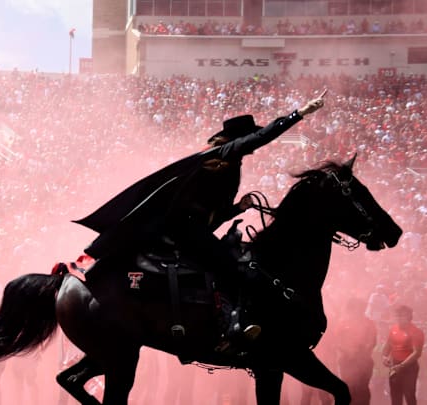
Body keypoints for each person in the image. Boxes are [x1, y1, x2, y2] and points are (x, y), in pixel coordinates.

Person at [74, 89, 327, 345]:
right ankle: (233, 322)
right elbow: (262, 137)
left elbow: (207, 212)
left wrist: (238, 208)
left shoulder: (224, 160)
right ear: (240, 137)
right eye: (249, 138)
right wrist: (300, 113)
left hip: (191, 225)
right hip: (185, 228)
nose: (252, 147)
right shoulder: (227, 152)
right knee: (230, 264)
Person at [335, 297, 377, 405]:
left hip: (364, 360)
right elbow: (337, 341)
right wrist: (347, 352)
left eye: (360, 308)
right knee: (348, 386)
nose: (357, 311)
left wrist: (362, 354)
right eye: (354, 308)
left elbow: (372, 341)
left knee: (363, 388)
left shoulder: (369, 323)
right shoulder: (343, 323)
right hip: (346, 359)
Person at [381, 305, 424, 405]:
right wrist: (384, 357)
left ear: (409, 316)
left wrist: (402, 365)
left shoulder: (416, 331)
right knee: (395, 396)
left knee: (409, 395)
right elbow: (387, 347)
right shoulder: (393, 329)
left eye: (401, 315)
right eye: (397, 315)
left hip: (409, 367)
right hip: (395, 366)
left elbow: (417, 352)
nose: (399, 318)